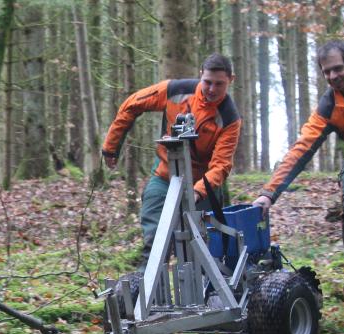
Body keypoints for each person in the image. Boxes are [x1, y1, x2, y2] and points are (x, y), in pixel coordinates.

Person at [251, 41, 344, 322]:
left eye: (337, 69)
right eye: (326, 72)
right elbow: (301, 149)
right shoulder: (330, 105)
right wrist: (269, 193)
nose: (332, 76)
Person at [101, 53, 241, 259]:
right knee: (155, 242)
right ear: (200, 75)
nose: (211, 89)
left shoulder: (229, 118)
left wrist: (197, 192)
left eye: (219, 84)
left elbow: (221, 166)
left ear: (231, 80)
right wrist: (111, 147)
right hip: (166, 175)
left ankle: (210, 288)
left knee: (206, 249)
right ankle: (146, 287)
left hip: (203, 185)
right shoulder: (176, 91)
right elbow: (132, 104)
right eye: (207, 82)